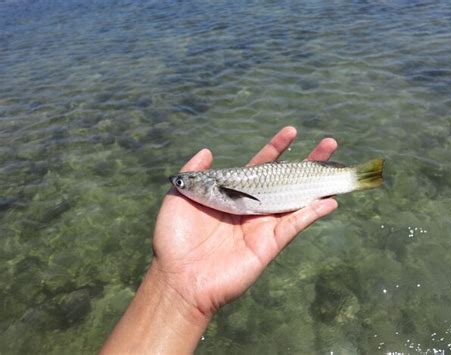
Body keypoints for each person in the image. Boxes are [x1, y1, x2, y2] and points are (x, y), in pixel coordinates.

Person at [100, 126, 338, 354]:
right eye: (180, 184)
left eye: (181, 184)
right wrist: (177, 285)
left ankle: (363, 176)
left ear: (204, 184)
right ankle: (365, 176)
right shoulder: (207, 190)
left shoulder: (214, 184)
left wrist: (176, 293)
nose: (178, 187)